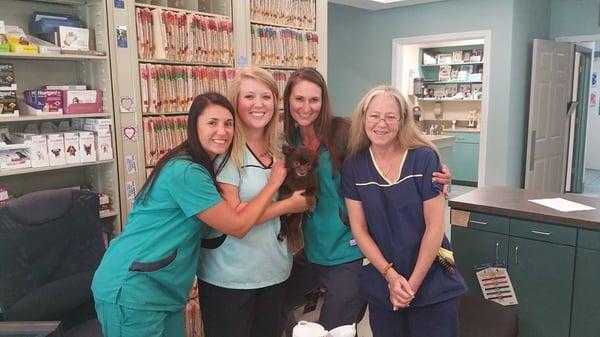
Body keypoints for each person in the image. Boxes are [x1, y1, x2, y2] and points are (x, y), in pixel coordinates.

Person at [91, 92, 287, 337]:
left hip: (164, 291)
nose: (222, 131)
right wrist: (273, 186)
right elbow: (237, 226)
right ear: (194, 126)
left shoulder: (202, 165)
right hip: (133, 288)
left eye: (228, 124)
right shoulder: (186, 171)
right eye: (212, 123)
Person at [281, 68, 453, 334]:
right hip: (313, 248)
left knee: (339, 327)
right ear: (287, 101)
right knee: (282, 313)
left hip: (352, 250)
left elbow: (434, 225)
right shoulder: (287, 141)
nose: (306, 107)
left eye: (314, 99)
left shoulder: (345, 133)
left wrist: (438, 169)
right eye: (299, 99)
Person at [340, 85, 467, 337]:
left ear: (402, 121)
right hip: (384, 278)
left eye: (390, 117)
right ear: (363, 118)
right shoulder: (354, 167)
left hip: (435, 274)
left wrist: (411, 284)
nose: (381, 123)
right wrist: (391, 276)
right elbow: (359, 229)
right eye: (374, 115)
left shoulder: (424, 158)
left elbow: (435, 226)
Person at [197, 67, 309, 337]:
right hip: (229, 279)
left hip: (275, 272)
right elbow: (235, 218)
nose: (258, 104)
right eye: (249, 97)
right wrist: (287, 205)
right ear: (235, 102)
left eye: (266, 97)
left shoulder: (281, 147)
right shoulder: (224, 151)